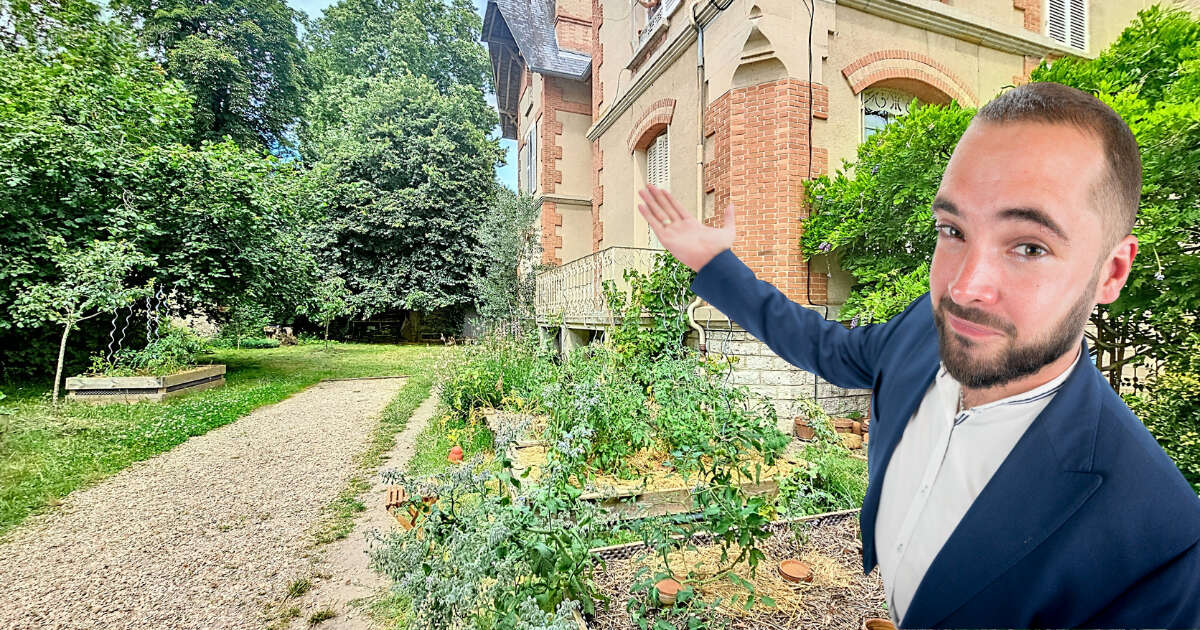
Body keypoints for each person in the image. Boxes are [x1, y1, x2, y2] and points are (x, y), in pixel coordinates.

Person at [636, 82, 1200, 628]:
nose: (963, 288)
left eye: (1029, 246)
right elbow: (821, 344)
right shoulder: (922, 332)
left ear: (1112, 272)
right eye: (952, 230)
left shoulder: (1160, 546)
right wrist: (715, 267)